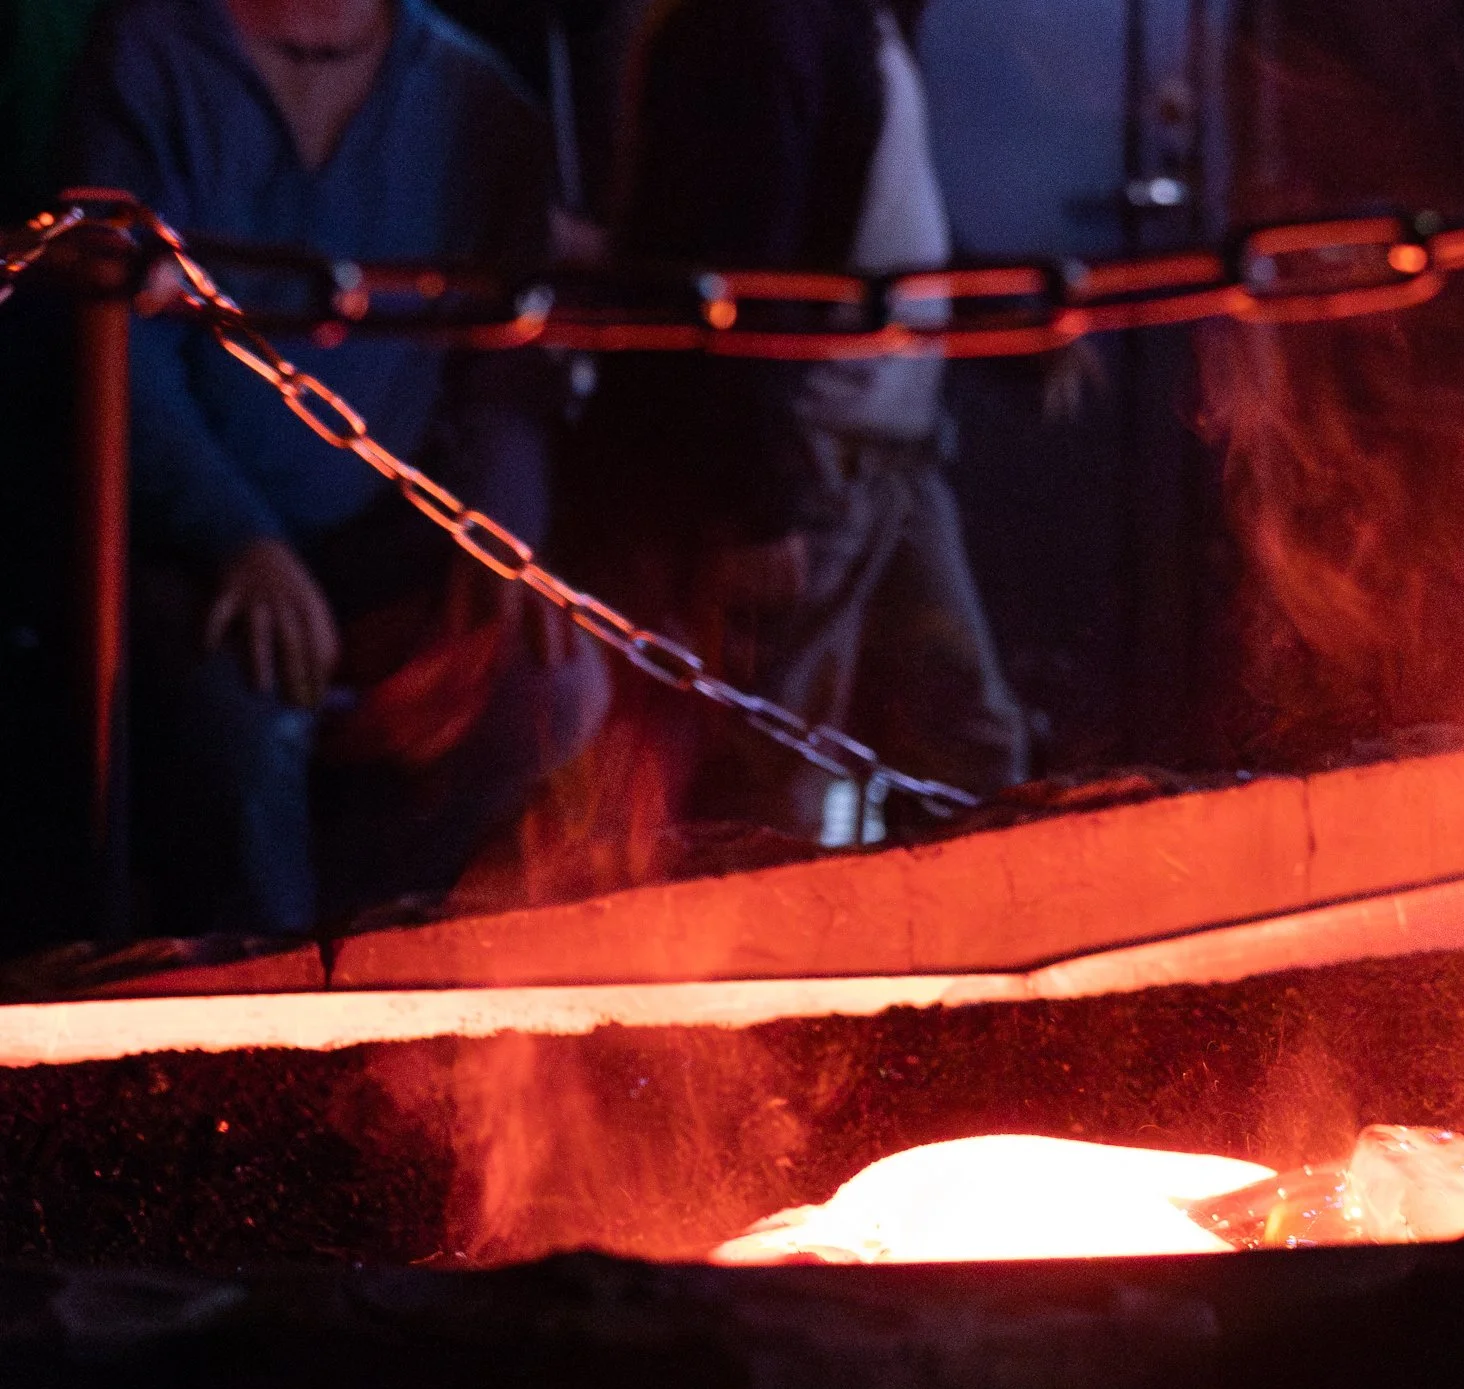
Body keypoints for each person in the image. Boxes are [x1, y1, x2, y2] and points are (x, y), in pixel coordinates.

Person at [61, 0, 608, 934]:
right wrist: (238, 538)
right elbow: (119, 359)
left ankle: (392, 947)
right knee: (239, 720)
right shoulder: (149, 62)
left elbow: (505, 377)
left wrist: (498, 546)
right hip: (182, 542)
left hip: (385, 536)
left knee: (549, 686)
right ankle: (261, 981)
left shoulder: (477, 100)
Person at [574, 0, 1025, 843]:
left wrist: (1011, 323)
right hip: (810, 463)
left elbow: (868, 216)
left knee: (963, 750)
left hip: (886, 458)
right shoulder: (756, 27)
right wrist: (757, 504)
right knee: (771, 776)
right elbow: (730, 274)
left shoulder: (849, 22)